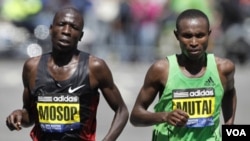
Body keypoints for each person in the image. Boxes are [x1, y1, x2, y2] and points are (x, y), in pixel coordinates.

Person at [6, 6, 129, 141]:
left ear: (81, 36)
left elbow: (121, 111)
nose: (66, 31)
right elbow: (30, 116)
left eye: (74, 27)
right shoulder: (32, 67)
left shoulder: (94, 67)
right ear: (51, 29)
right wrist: (18, 116)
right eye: (61, 24)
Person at [130, 9, 237, 141]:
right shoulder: (161, 70)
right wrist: (164, 116)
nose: (193, 42)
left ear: (209, 35)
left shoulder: (224, 68)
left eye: (200, 35)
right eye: (187, 36)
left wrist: (230, 129)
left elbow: (229, 93)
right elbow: (135, 116)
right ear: (177, 35)